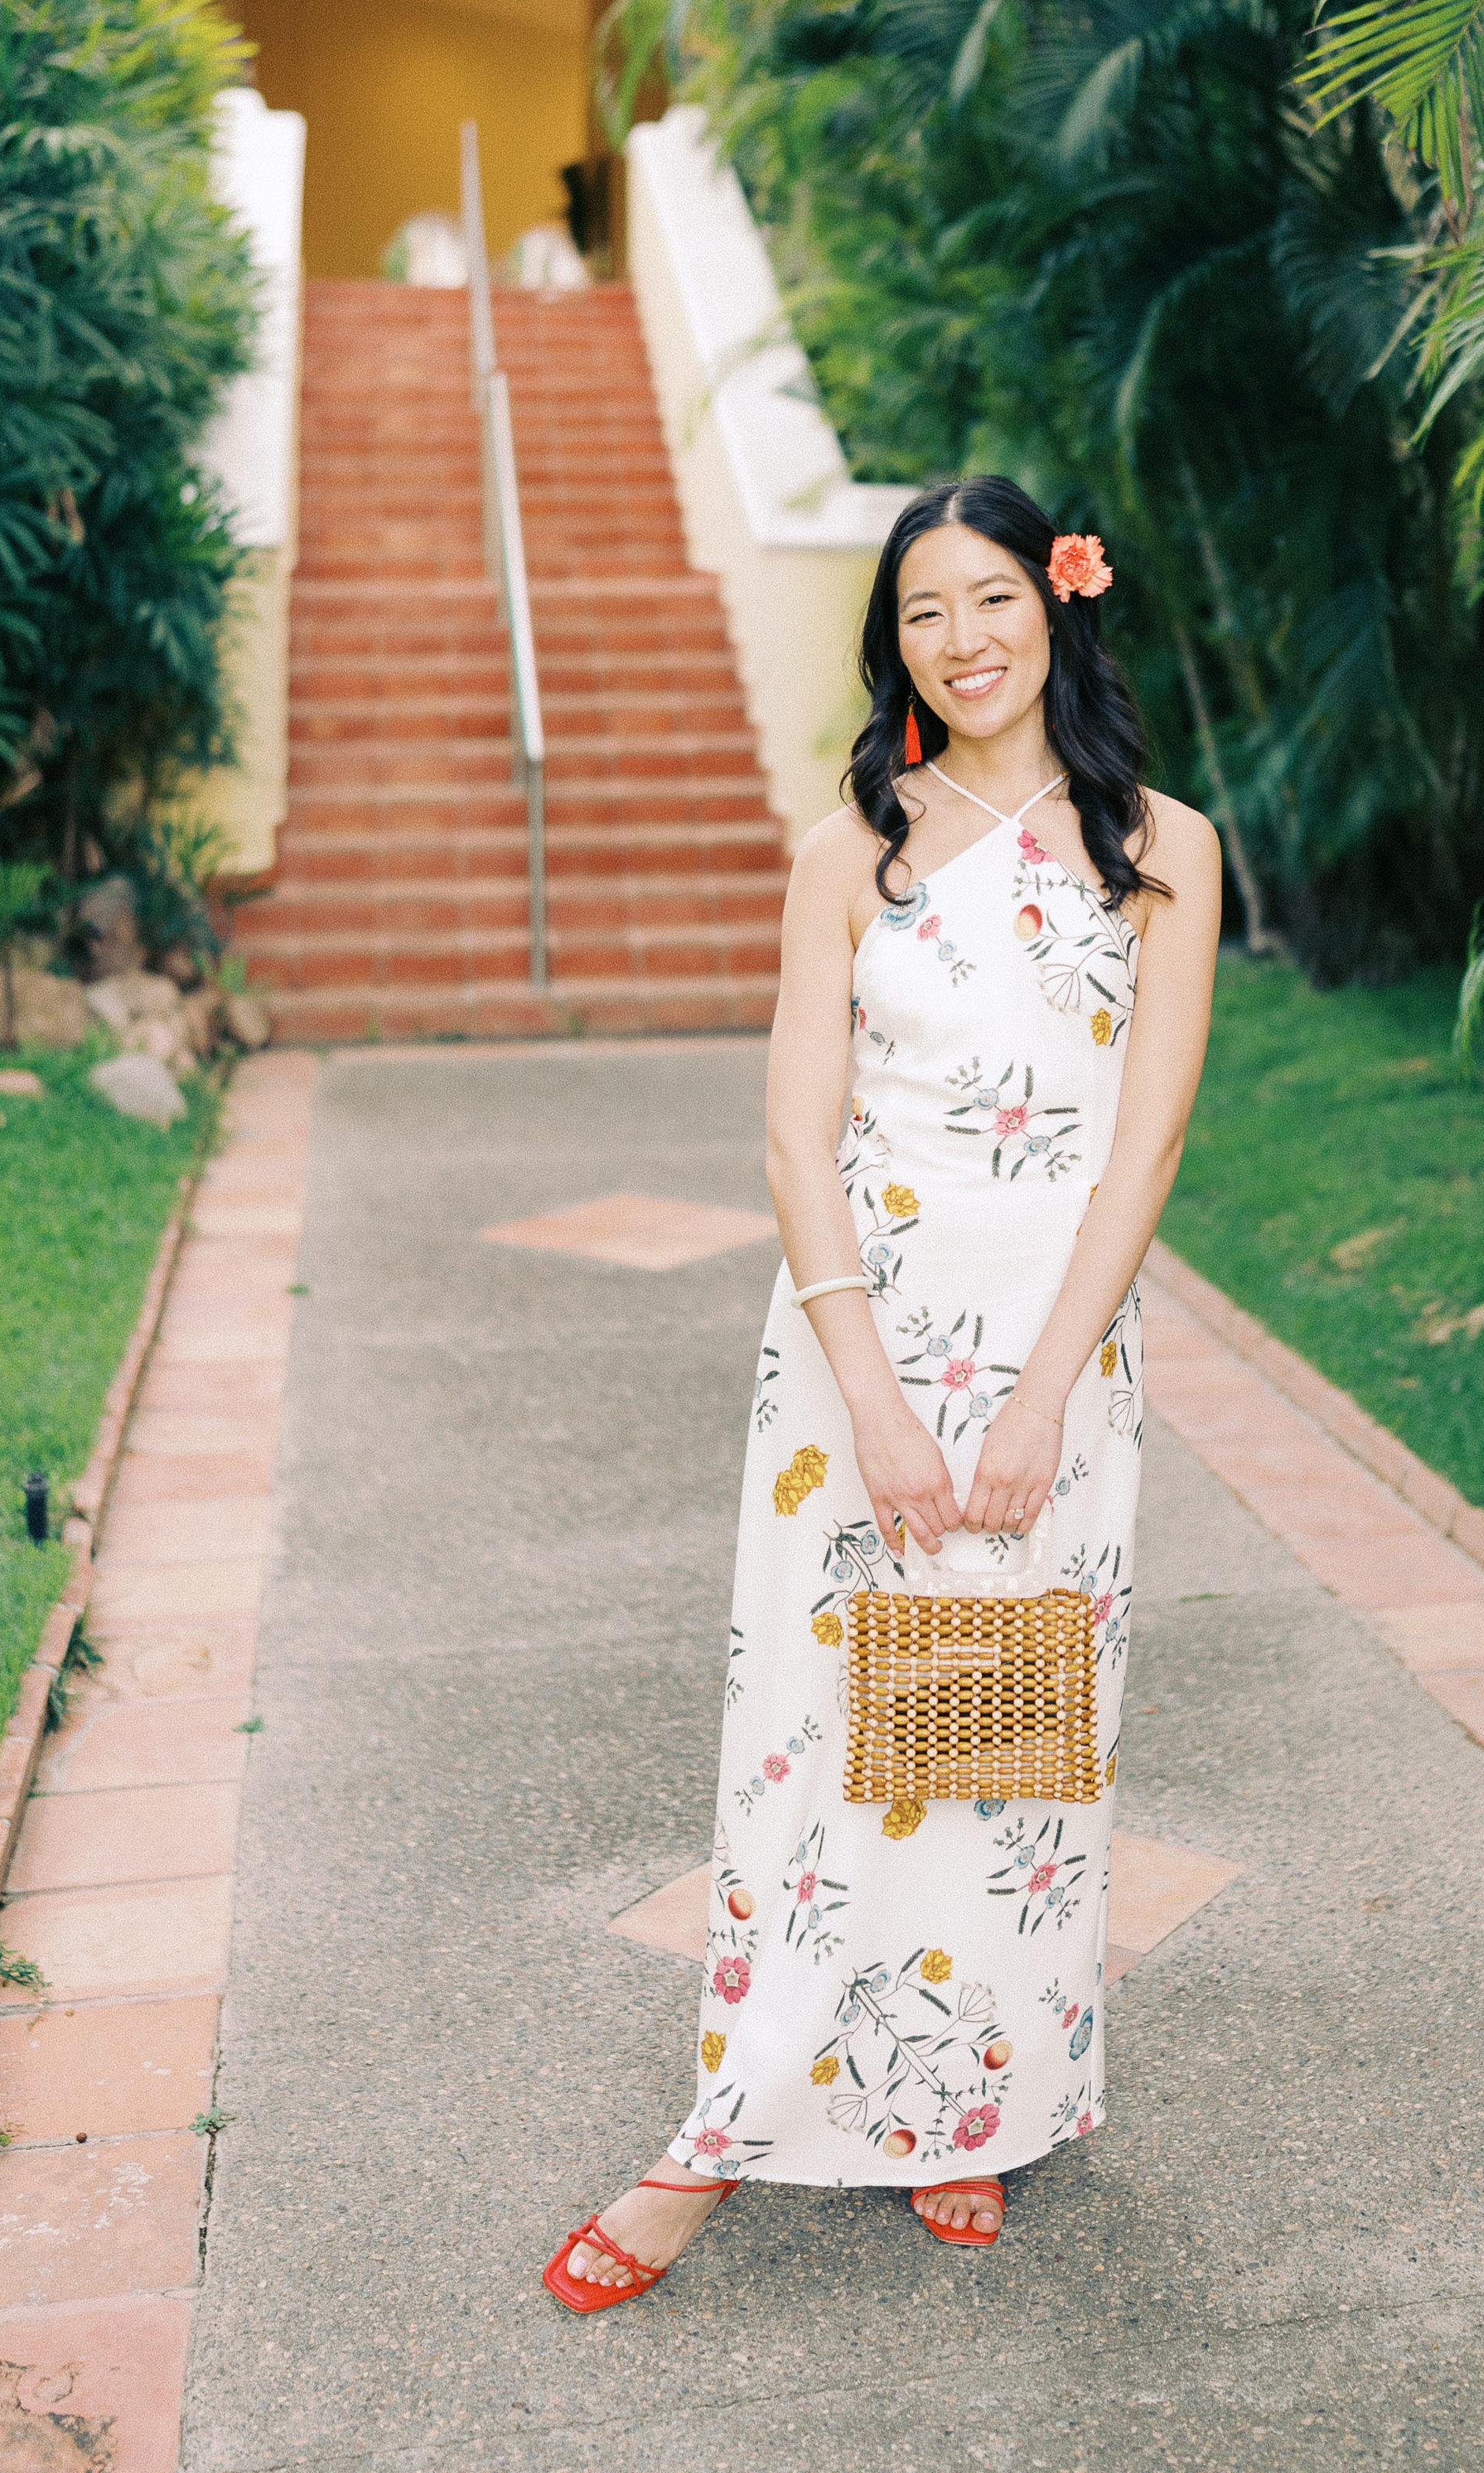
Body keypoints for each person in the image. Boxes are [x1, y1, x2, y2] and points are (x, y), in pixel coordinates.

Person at [545, 475, 1220, 2307]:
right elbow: (792, 1136)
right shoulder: (853, 850)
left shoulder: (1162, 846)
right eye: (923, 611)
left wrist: (1032, 1400)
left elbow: (1143, 1146)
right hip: (856, 1351)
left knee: (1002, 1751)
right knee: (815, 1748)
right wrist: (880, 1393)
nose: (963, 638)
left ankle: (973, 2105)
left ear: (1056, 607)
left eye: (991, 596)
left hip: (1056, 1364)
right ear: (892, 645)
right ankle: (722, 2129)